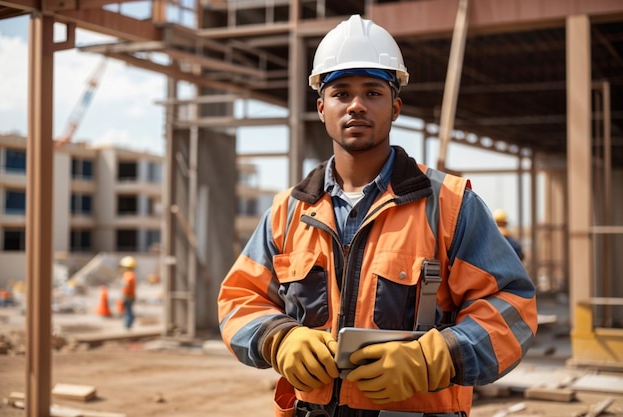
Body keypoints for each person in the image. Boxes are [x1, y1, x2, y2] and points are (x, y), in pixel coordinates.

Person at [218, 14, 537, 417]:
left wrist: (432, 359)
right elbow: (238, 299)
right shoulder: (289, 211)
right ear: (321, 107)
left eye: (372, 92)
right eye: (340, 93)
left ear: (396, 106)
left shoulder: (450, 205)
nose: (356, 105)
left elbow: (514, 309)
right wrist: (278, 339)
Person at [119, 255, 137, 330]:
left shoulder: (129, 274)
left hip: (128, 296)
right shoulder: (131, 274)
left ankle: (128, 325)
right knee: (128, 310)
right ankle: (128, 324)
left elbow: (127, 285)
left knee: (128, 311)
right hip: (129, 295)